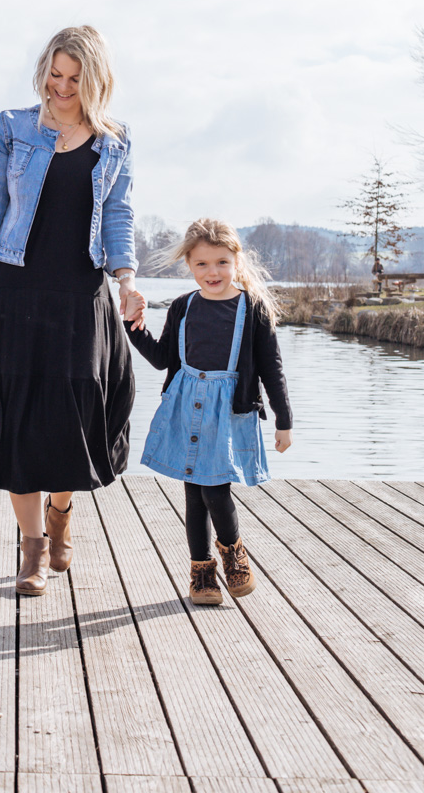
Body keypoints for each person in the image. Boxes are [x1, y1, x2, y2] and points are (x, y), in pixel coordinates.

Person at [0, 25, 143, 596]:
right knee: (22, 422)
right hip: (14, 291)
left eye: (74, 79)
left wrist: (127, 280)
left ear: (96, 81)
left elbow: (120, 214)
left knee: (77, 418)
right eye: (54, 75)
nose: (60, 87)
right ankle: (31, 551)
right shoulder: (13, 127)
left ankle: (61, 512)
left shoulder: (116, 139)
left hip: (82, 295)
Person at [123, 219, 292, 606]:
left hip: (229, 411)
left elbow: (272, 368)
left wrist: (284, 421)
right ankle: (202, 573)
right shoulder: (183, 306)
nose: (212, 272)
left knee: (215, 487)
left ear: (236, 260)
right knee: (194, 492)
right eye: (201, 264)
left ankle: (232, 552)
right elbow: (165, 358)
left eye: (220, 262)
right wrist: (135, 329)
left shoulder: (253, 309)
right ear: (189, 265)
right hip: (186, 404)